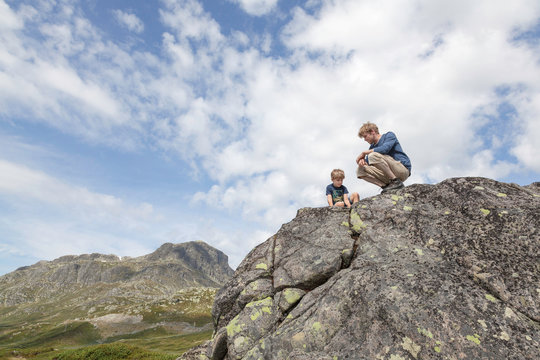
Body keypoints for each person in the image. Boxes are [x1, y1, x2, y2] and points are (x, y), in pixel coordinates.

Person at [355, 122, 411, 193]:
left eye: (365, 136)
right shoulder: (372, 147)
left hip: (402, 170)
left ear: (372, 132)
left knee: (372, 155)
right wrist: (361, 162)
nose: (365, 139)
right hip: (387, 175)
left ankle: (396, 181)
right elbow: (368, 163)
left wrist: (364, 153)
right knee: (359, 171)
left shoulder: (389, 135)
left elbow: (385, 149)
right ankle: (385, 186)